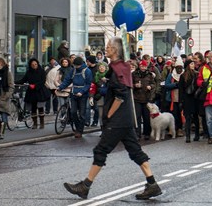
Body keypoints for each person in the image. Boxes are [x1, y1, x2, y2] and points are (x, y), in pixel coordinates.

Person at [63, 37, 162, 200]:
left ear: (115, 50)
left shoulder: (119, 68)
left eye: (109, 46)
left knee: (101, 150)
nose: (106, 48)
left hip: (117, 121)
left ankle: (85, 186)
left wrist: (109, 115)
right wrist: (105, 79)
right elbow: (116, 83)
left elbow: (121, 95)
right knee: (135, 152)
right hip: (126, 120)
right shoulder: (119, 67)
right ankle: (152, 184)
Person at [56, 57, 93, 138]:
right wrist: (60, 87)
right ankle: (77, 128)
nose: (75, 67)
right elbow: (67, 80)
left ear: (80, 65)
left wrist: (82, 92)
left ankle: (80, 130)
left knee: (82, 114)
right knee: (73, 112)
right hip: (74, 93)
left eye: (77, 65)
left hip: (83, 95)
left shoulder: (87, 71)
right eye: (75, 65)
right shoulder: (73, 70)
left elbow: (88, 84)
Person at [15, 58, 49, 130]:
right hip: (32, 92)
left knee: (40, 107)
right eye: (32, 65)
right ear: (30, 65)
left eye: (35, 64)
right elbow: (23, 80)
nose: (34, 66)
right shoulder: (28, 72)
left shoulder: (42, 71)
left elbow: (43, 81)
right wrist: (15, 82)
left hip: (39, 91)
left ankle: (42, 123)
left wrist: (35, 86)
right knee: (33, 108)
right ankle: (35, 123)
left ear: (37, 64)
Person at [133, 60, 156, 140]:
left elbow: (154, 84)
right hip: (137, 98)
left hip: (146, 98)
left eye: (145, 66)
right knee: (137, 117)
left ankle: (147, 133)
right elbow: (130, 85)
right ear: (139, 66)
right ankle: (137, 134)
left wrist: (151, 86)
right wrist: (135, 85)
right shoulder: (134, 74)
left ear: (146, 67)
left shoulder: (149, 75)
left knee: (146, 117)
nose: (143, 68)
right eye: (142, 66)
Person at [178, 60, 199, 142]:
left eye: (193, 63)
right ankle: (188, 136)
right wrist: (180, 101)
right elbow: (181, 90)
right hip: (188, 98)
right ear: (187, 65)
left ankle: (194, 135)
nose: (193, 65)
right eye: (191, 64)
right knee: (189, 118)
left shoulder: (196, 74)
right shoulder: (183, 76)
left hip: (194, 98)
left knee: (194, 117)